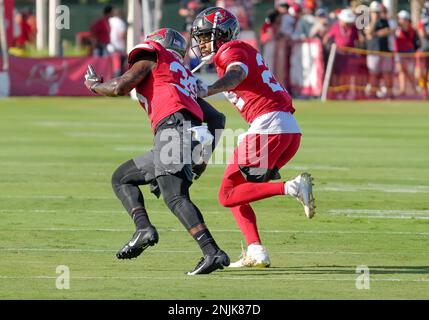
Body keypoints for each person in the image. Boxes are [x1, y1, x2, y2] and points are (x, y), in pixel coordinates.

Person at [84, 28, 229, 275]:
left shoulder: (154, 54)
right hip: (184, 135)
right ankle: (143, 229)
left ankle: (212, 252)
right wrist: (201, 158)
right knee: (122, 178)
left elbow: (120, 86)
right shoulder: (179, 75)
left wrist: (95, 85)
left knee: (175, 197)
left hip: (172, 131)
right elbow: (217, 118)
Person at [191, 7, 316, 268]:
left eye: (204, 36)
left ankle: (290, 188)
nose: (201, 42)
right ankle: (256, 250)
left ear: (220, 34)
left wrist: (210, 89)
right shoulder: (236, 50)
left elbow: (238, 73)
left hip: (268, 125)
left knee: (226, 195)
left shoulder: (231, 50)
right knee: (236, 191)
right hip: (286, 129)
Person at [364, 1, 393, 99]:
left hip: (385, 52)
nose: (376, 13)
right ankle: (373, 94)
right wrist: (374, 22)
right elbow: (368, 34)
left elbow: (387, 31)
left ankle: (389, 94)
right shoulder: (367, 21)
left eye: (377, 12)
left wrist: (375, 34)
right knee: (373, 74)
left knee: (387, 73)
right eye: (374, 12)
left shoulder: (384, 21)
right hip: (373, 52)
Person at [394, 10, 418, 96]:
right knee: (401, 71)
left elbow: (405, 29)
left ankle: (414, 88)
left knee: (409, 71)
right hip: (398, 52)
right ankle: (402, 89)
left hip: (408, 52)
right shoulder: (396, 28)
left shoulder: (410, 28)